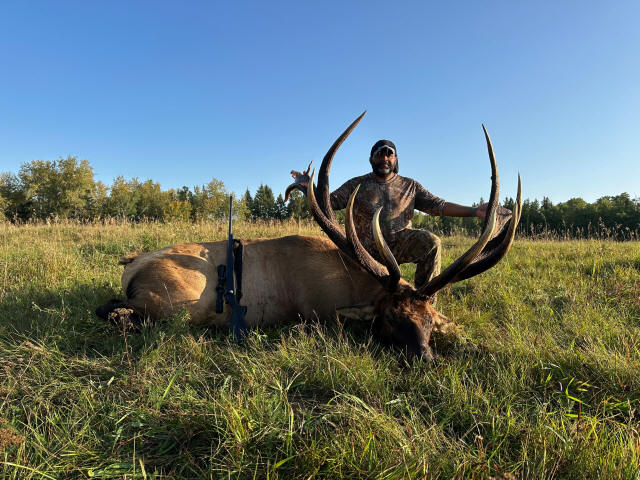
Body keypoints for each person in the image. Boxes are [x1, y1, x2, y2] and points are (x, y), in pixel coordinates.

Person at [291, 139, 487, 289]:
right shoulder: (356, 184)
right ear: (371, 159)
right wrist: (308, 186)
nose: (384, 158)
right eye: (379, 154)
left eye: (389, 154)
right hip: (363, 251)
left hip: (398, 245)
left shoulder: (410, 186)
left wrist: (473, 211)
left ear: (395, 159)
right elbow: (328, 203)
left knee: (432, 243)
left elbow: (438, 205)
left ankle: (423, 299)